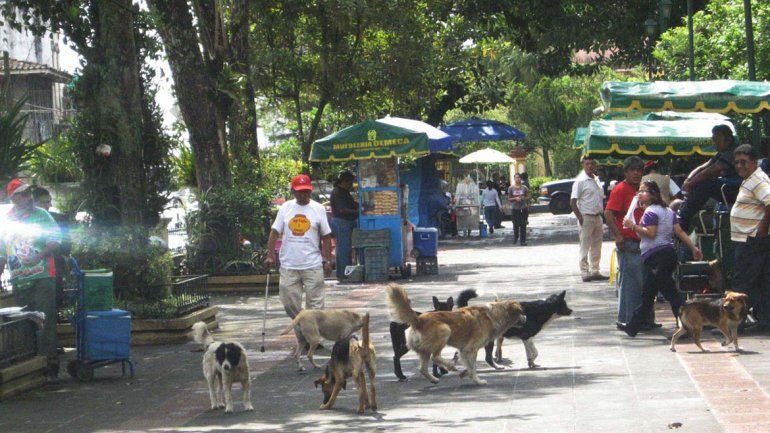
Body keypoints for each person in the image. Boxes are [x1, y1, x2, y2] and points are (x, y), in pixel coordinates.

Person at [622, 181, 703, 337]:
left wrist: (632, 225)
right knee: (648, 294)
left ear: (653, 194)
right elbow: (679, 232)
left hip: (656, 257)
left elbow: (650, 233)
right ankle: (633, 326)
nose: (640, 194)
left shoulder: (651, 212)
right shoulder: (667, 211)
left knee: (670, 293)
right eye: (639, 191)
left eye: (644, 191)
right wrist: (693, 248)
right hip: (667, 254)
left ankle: (687, 325)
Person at [0, 179, 61, 378]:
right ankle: (32, 365)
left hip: (42, 274)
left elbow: (55, 241)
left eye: (29, 193)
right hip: (19, 278)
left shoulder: (41, 215)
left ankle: (50, 364)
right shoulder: (7, 221)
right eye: (23, 193)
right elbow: (2, 253)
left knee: (45, 318)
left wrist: (39, 255)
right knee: (24, 322)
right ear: (14, 198)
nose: (28, 196)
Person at [266, 174, 333, 319]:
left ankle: (312, 340)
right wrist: (270, 255)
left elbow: (326, 237)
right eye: (300, 191)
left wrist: (328, 260)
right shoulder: (285, 208)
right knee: (289, 304)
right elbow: (274, 232)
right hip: (289, 265)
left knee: (316, 307)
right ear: (293, 191)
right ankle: (304, 331)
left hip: (313, 265)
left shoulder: (318, 208)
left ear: (310, 191)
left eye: (306, 191)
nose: (303, 195)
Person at [729, 144, 770, 332]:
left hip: (752, 239)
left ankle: (737, 322)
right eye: (737, 162)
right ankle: (763, 320)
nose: (739, 166)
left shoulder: (759, 180)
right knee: (758, 282)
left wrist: (762, 227)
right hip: (747, 239)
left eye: (744, 162)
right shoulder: (749, 179)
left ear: (754, 162)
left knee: (742, 282)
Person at [605, 157, 646, 329]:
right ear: (626, 172)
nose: (636, 173)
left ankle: (639, 319)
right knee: (631, 283)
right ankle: (629, 321)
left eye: (639, 170)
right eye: (632, 170)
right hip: (628, 242)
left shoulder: (642, 190)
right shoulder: (621, 189)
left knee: (640, 282)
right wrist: (618, 236)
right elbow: (608, 213)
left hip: (641, 242)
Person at [678, 125, 740, 232]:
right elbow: (704, 166)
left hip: (736, 188)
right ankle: (684, 213)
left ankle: (683, 220)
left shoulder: (734, 151)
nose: (714, 143)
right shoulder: (722, 152)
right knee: (694, 182)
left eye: (717, 140)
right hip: (726, 186)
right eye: (713, 139)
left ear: (728, 140)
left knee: (707, 185)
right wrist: (688, 180)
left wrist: (690, 184)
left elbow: (711, 171)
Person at [32, 187, 71, 311]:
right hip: (32, 269)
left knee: (54, 300)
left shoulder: (59, 218)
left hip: (54, 265)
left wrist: (64, 256)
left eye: (50, 201)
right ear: (34, 203)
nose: (50, 205)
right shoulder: (26, 220)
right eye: (45, 202)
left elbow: (66, 242)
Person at [570, 157, 607, 282]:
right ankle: (584, 272)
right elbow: (573, 201)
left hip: (597, 216)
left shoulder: (596, 179)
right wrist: (580, 217)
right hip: (586, 216)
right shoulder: (580, 181)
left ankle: (595, 270)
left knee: (597, 245)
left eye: (592, 163)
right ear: (583, 165)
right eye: (587, 164)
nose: (590, 166)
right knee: (585, 246)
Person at [329, 170, 358, 280]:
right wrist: (357, 212)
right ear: (344, 182)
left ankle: (346, 273)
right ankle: (343, 275)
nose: (351, 185)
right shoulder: (337, 192)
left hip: (345, 222)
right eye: (350, 183)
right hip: (341, 222)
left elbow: (352, 204)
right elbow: (342, 209)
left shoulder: (344, 192)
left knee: (345, 249)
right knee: (343, 249)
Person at [507, 173, 530, 245]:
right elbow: (509, 199)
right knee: (515, 224)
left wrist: (524, 198)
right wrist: (515, 198)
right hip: (514, 208)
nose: (518, 179)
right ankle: (516, 237)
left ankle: (523, 241)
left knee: (523, 225)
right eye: (516, 178)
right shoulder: (511, 188)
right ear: (514, 179)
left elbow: (528, 197)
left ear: (521, 178)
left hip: (523, 208)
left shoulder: (524, 187)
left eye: (519, 177)